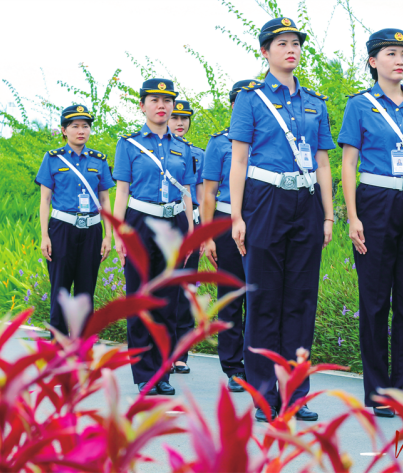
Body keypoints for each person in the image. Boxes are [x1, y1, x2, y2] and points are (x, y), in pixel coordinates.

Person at [229, 18, 336, 422]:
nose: (290, 49)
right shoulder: (251, 99)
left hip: (306, 202)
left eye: (295, 43)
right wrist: (237, 214)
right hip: (265, 201)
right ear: (265, 51)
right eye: (282, 43)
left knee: (301, 301)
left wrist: (328, 214)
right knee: (264, 299)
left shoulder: (315, 102)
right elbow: (239, 160)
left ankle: (294, 393)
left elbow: (324, 162)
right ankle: (263, 395)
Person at [338, 29, 403, 417]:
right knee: (376, 300)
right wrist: (352, 215)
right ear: (373, 61)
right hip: (375, 203)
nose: (400, 60)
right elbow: (349, 161)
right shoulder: (360, 106)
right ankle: (379, 391)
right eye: (391, 53)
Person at [112, 79, 196, 396]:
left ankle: (162, 372)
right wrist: (118, 232)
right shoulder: (129, 145)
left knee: (168, 302)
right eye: (155, 100)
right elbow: (121, 191)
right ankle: (143, 374)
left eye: (167, 100)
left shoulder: (182, 148)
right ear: (142, 105)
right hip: (139, 222)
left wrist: (190, 230)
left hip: (173, 222)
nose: (162, 105)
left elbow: (187, 193)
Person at [36, 104, 114, 337]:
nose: (81, 131)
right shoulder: (52, 159)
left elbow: (105, 200)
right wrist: (44, 236)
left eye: (86, 126)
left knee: (85, 290)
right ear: (64, 130)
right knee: (60, 288)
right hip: (62, 229)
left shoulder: (98, 160)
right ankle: (58, 344)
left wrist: (108, 235)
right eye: (75, 126)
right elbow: (45, 200)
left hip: (91, 229)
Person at [201, 79, 256, 392]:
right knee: (232, 296)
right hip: (224, 221)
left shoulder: (267, 142)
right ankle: (234, 366)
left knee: (259, 295)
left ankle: (256, 362)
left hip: (261, 219)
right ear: (233, 107)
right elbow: (208, 192)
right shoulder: (220, 143)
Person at [168, 99, 204, 374]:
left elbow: (202, 195)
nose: (180, 123)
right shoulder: (154, 151)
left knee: (185, 290)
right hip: (162, 226)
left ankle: (181, 352)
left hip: (190, 225)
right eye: (175, 118)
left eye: (184, 118)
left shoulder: (197, 154)